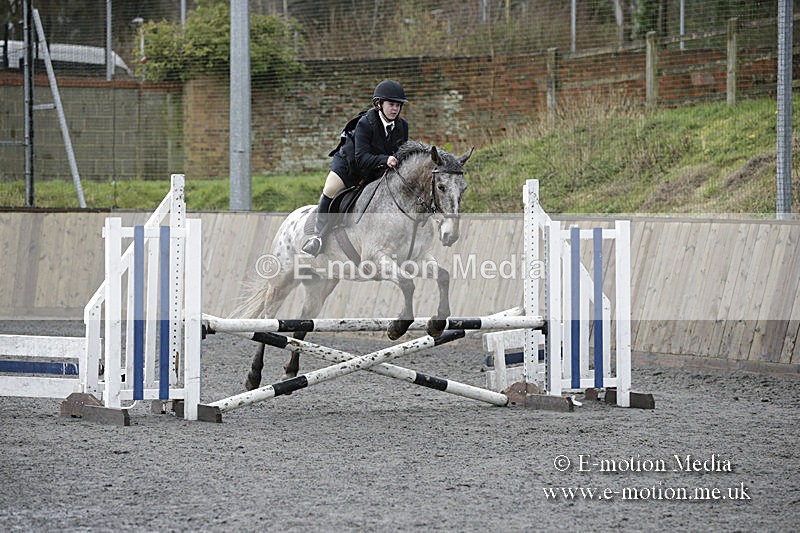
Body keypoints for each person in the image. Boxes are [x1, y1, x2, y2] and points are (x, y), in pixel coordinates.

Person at [301, 79, 410, 256]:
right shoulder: (365, 123)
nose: (395, 109)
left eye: (398, 105)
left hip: (377, 169)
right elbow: (361, 158)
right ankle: (317, 237)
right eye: (391, 104)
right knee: (330, 189)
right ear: (378, 104)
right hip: (350, 165)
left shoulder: (402, 126)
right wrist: (386, 159)